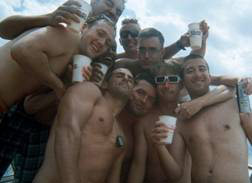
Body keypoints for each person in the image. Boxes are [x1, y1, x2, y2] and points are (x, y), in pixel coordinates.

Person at [128, 61, 236, 183]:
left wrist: (202, 100)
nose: (166, 85)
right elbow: (138, 165)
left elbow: (235, 88)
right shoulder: (144, 121)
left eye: (173, 79)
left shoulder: (191, 114)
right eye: (161, 80)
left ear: (181, 85)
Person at [151, 55, 251, 183]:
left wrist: (200, 102)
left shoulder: (233, 104)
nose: (197, 74)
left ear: (210, 77)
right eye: (190, 71)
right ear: (183, 82)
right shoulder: (181, 120)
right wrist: (159, 147)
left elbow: (239, 83)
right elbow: (175, 175)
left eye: (202, 69)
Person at [32, 66, 134, 183]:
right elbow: (67, 132)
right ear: (105, 83)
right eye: (120, 75)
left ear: (132, 94)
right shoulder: (88, 91)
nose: (126, 79)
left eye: (130, 79)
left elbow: (113, 179)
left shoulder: (121, 137)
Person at [0, 16, 115, 112]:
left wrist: (67, 86)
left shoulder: (71, 61)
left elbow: (30, 106)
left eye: (108, 43)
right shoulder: (70, 36)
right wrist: (58, 86)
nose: (102, 42)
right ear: (84, 27)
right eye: (100, 34)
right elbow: (21, 50)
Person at [0, 0, 125, 40]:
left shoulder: (100, 46)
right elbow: (3, 30)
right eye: (109, 3)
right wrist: (47, 18)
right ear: (94, 1)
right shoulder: (64, 18)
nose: (113, 12)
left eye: (118, 12)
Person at [116, 18, 209, 60]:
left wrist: (203, 39)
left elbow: (195, 60)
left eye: (134, 33)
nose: (129, 38)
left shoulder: (156, 61)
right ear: (120, 41)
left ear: (142, 37)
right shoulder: (114, 61)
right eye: (124, 34)